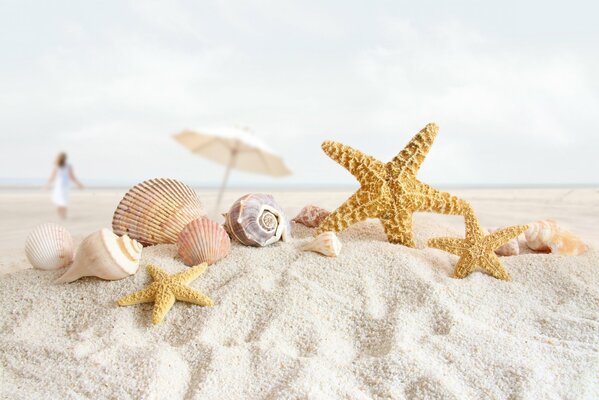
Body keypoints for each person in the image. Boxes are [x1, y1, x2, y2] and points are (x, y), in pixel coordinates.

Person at [45, 152, 84, 219]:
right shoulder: (67, 166)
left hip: (60, 184)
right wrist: (78, 184)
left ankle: (61, 216)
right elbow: (72, 177)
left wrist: (47, 185)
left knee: (60, 200)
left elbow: (52, 177)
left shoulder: (58, 166)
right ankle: (63, 216)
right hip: (64, 184)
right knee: (64, 200)